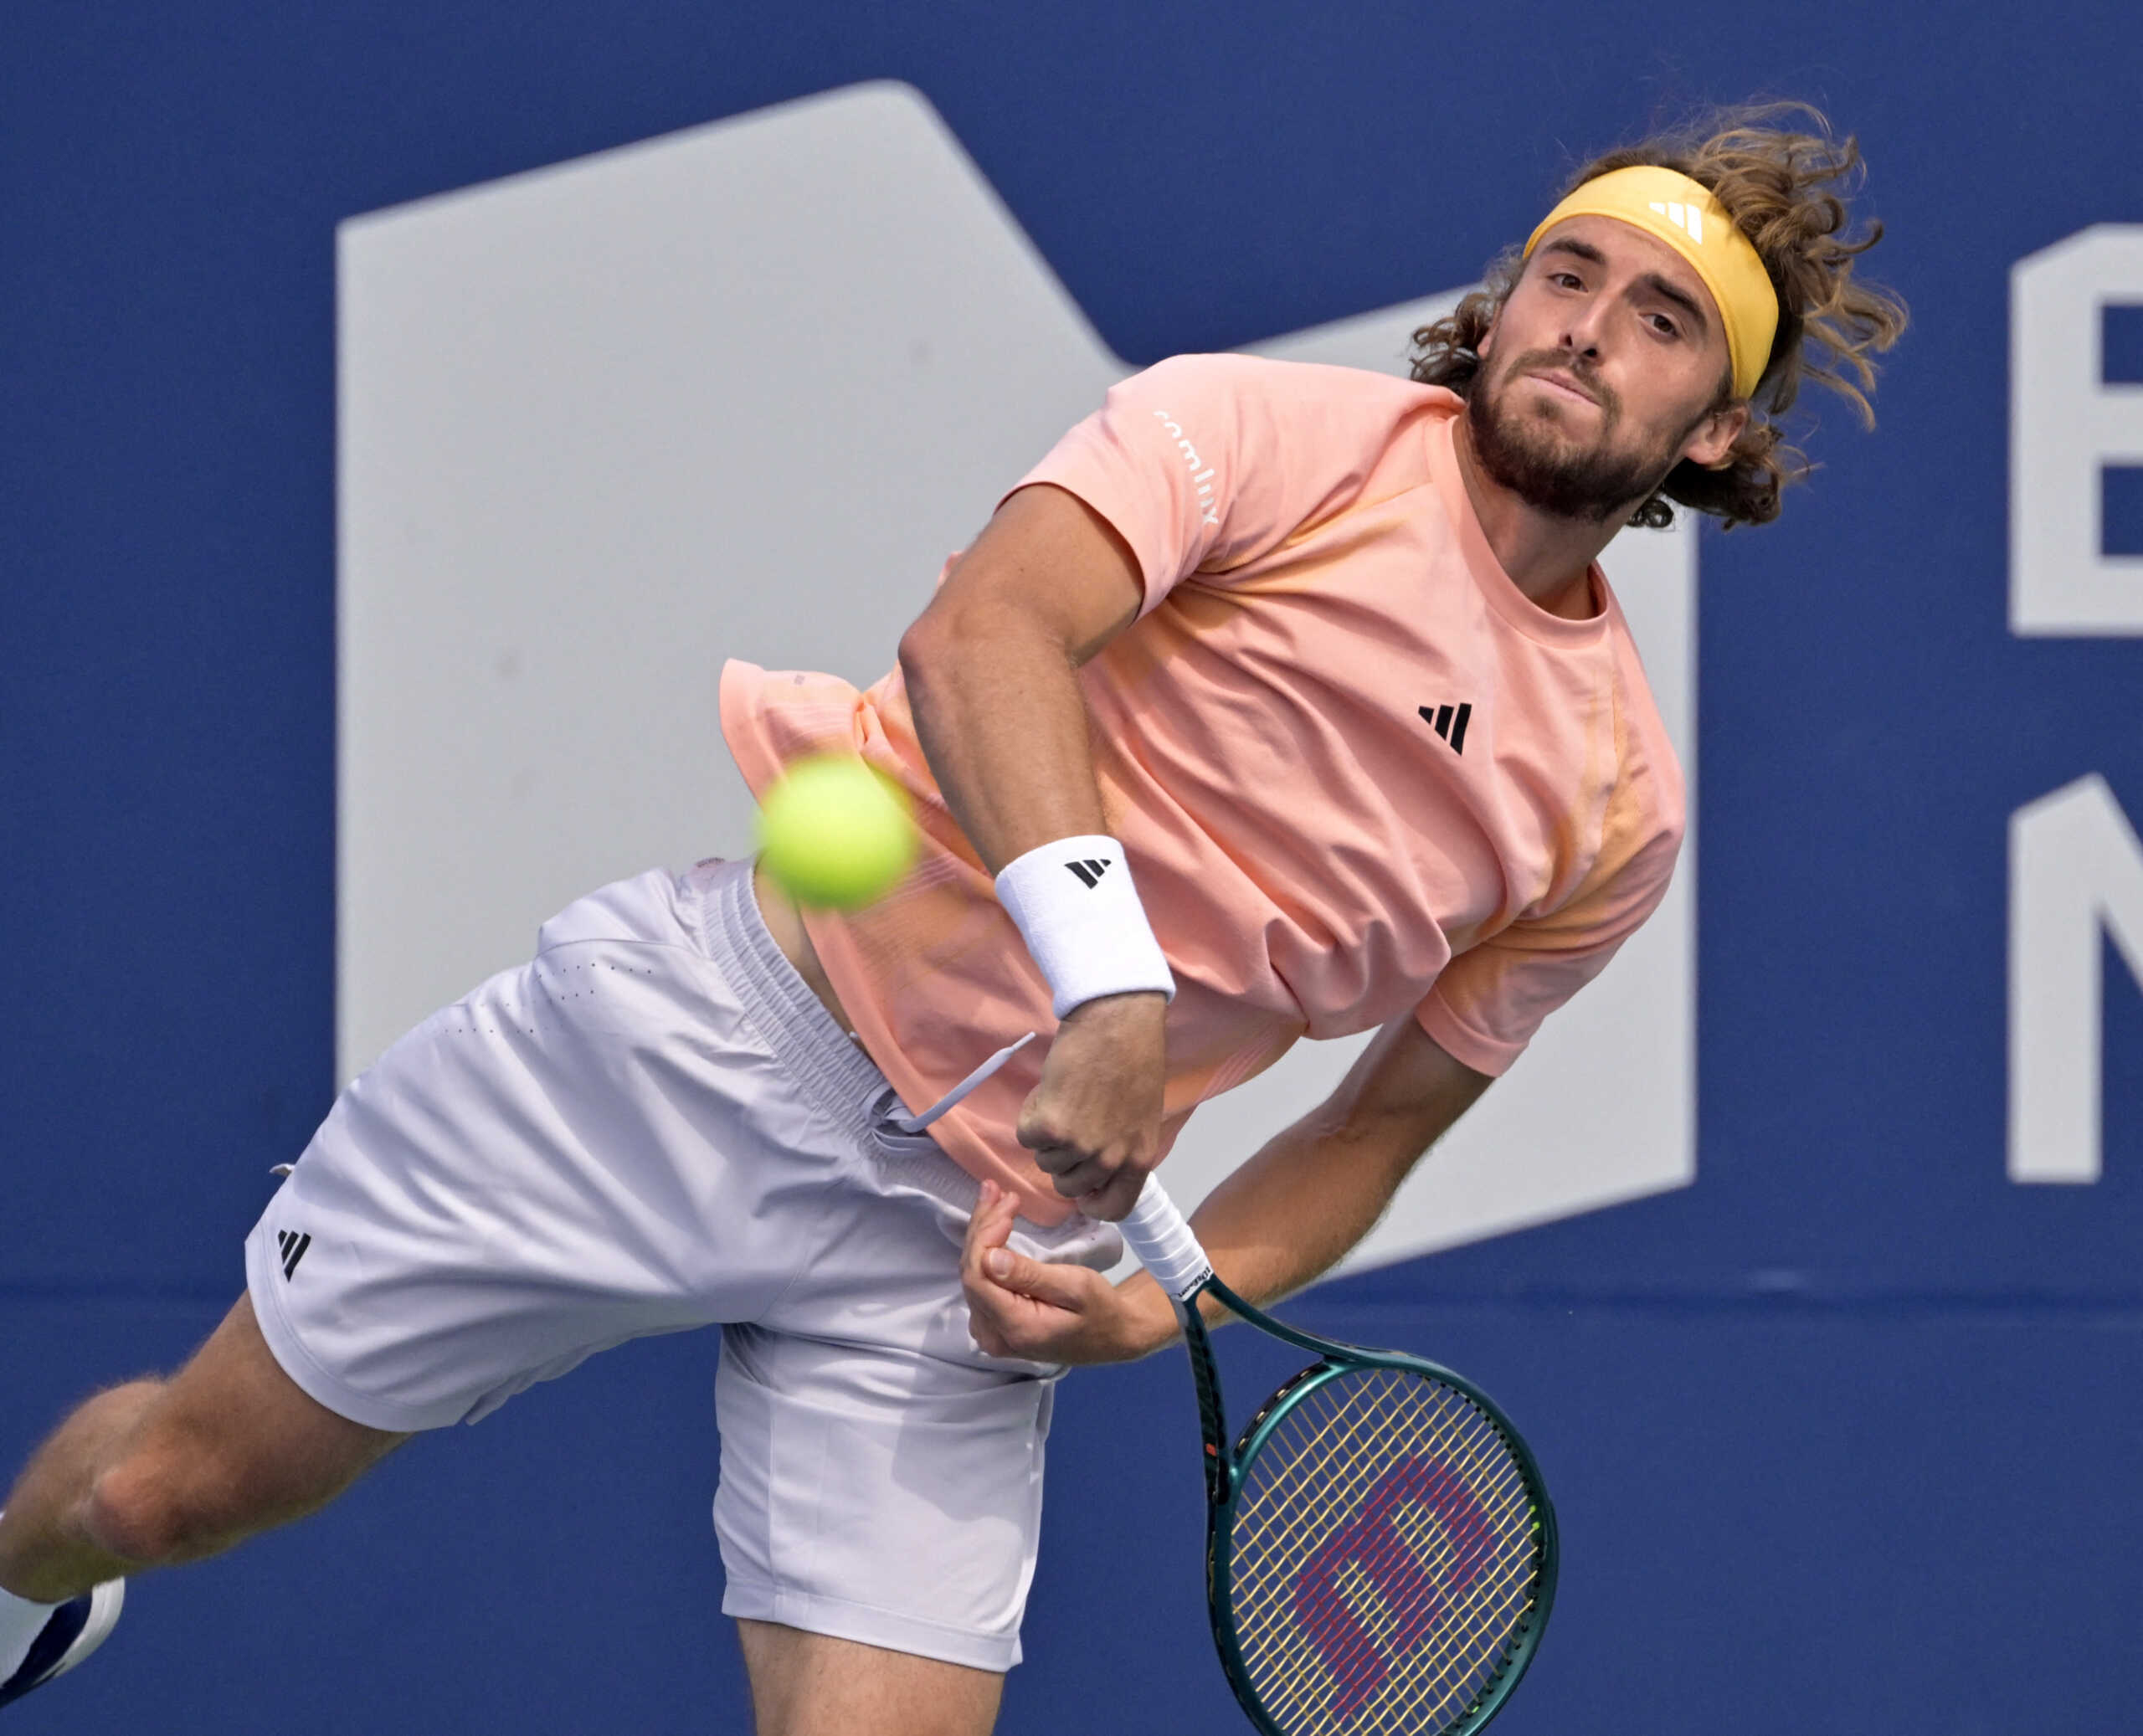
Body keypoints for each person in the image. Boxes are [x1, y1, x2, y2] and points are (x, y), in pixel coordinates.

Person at [0, 103, 1903, 1730]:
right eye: (1567, 273)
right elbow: (981, 629)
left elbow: (1378, 1123)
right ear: (1502, 303)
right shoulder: (1254, 432)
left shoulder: (1608, 809)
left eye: (1658, 321)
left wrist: (1152, 1304)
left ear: (1715, 437)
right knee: (172, 1489)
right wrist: (1108, 979)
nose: (1587, 329)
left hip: (964, 1254)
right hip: (702, 1037)